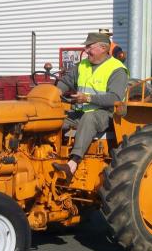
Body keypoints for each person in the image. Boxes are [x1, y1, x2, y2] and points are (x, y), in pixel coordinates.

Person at [52, 32, 129, 183]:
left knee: (89, 118)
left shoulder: (117, 69)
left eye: (89, 47)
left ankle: (72, 164)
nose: (86, 51)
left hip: (106, 115)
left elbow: (115, 98)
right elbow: (66, 81)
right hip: (79, 112)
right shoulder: (83, 65)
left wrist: (87, 98)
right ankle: (48, 156)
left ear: (103, 48)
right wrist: (54, 93)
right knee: (55, 119)